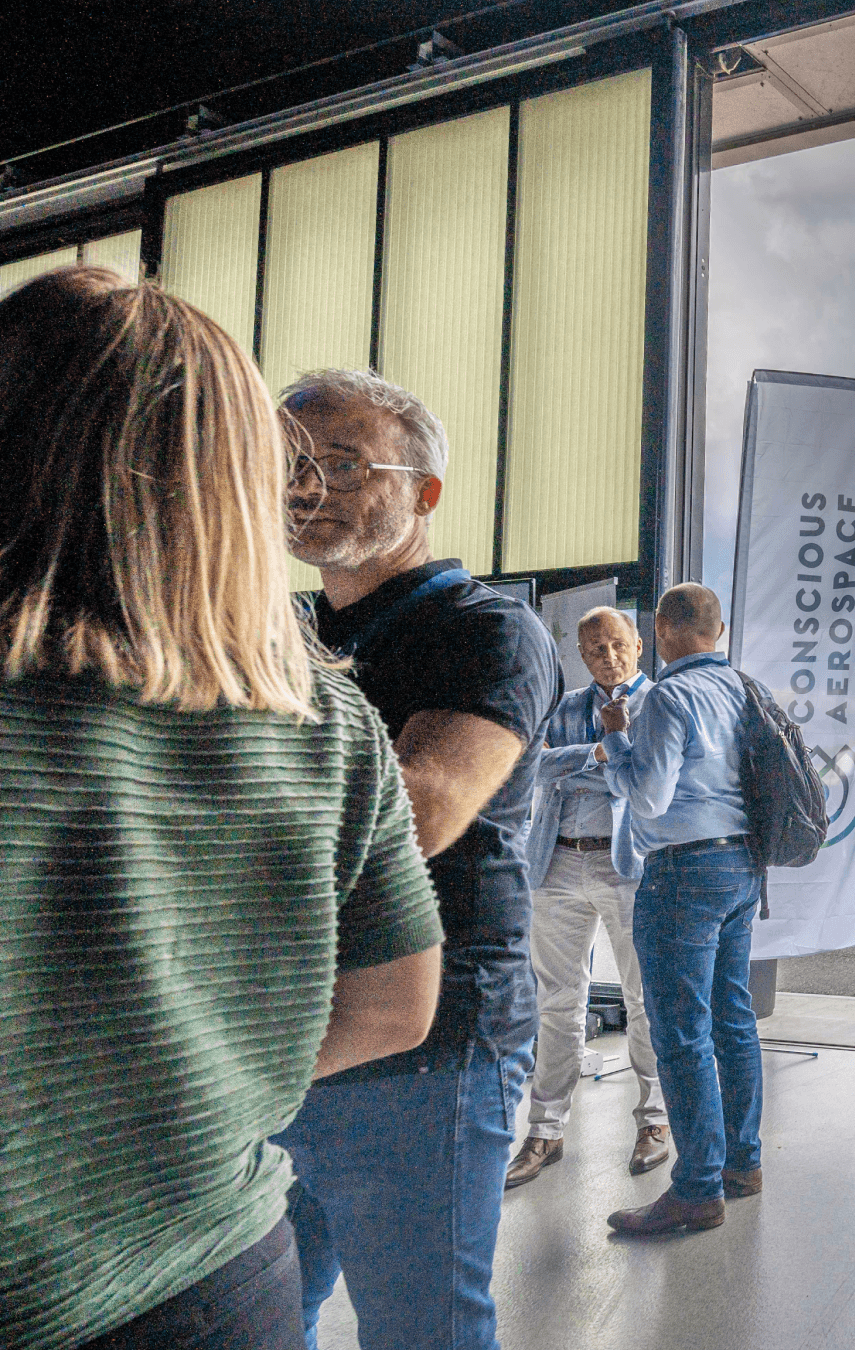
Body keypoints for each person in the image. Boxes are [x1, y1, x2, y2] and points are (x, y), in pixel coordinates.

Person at [0, 269, 443, 1350]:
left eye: (355, 462)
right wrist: (184, 1083)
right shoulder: (325, 714)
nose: (324, 486)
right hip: (219, 1267)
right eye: (310, 459)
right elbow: (394, 1001)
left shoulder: (463, 638)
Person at [280, 367, 561, 1348]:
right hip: (287, 1040)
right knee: (269, 1312)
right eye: (285, 461)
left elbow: (422, 815)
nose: (304, 482)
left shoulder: (487, 630)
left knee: (420, 1329)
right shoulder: (277, 633)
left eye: (342, 461)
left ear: (425, 492)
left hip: (428, 1044)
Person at [596, 584, 765, 1236]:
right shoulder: (744, 690)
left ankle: (696, 1189)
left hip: (684, 873)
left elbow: (649, 800)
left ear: (662, 628)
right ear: (717, 630)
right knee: (732, 1019)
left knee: (680, 1032)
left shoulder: (670, 695)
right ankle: (742, 1165)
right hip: (741, 868)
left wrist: (616, 741)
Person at [508, 606, 669, 1189]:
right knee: (556, 1003)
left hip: (627, 867)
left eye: (617, 644)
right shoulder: (566, 706)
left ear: (638, 646)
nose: (608, 656)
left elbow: (650, 778)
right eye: (596, 648)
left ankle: (653, 1122)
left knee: (644, 999)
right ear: (582, 655)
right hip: (556, 864)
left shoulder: (660, 702)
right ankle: (545, 1131)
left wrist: (593, 761)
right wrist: (599, 754)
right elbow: (533, 769)